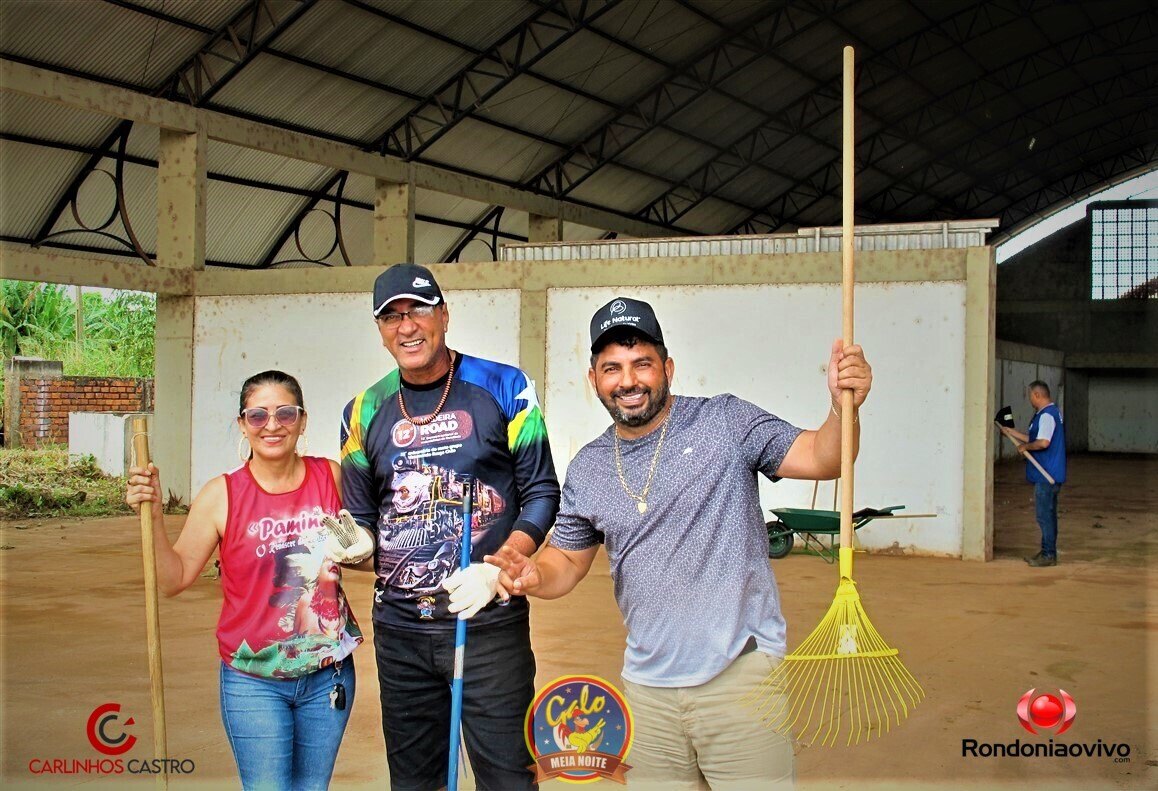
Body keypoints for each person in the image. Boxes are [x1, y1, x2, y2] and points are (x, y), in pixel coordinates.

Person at [487, 297, 874, 791]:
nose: (627, 381)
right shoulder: (590, 466)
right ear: (594, 380)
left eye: (641, 363)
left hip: (740, 677)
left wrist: (845, 408)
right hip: (647, 689)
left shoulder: (725, 424)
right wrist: (535, 575)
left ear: (667, 367)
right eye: (612, 368)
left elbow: (824, 458)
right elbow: (567, 560)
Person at [339, 263, 560, 791]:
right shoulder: (363, 410)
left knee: (508, 776)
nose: (407, 326)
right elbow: (360, 521)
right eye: (391, 316)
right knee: (415, 782)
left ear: (443, 315)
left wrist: (498, 570)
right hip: (401, 632)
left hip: (488, 626)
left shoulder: (505, 386)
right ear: (380, 329)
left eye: (418, 310)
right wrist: (343, 542)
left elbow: (541, 492)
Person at [125, 370, 363, 791]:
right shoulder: (222, 494)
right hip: (253, 679)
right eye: (258, 415)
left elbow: (365, 552)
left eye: (285, 413)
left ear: (303, 420)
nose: (272, 425)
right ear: (242, 424)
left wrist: (364, 548)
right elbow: (174, 578)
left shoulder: (332, 477)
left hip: (329, 674)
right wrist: (155, 516)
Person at [1000, 380, 1066, 566]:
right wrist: (1012, 433)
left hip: (1046, 474)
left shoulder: (1046, 416)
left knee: (1044, 515)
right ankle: (1047, 551)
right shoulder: (1050, 414)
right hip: (1049, 473)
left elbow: (1042, 442)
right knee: (1048, 515)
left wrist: (1025, 447)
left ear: (1037, 395)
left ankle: (1048, 555)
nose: (1030, 400)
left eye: (1030, 396)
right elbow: (1035, 438)